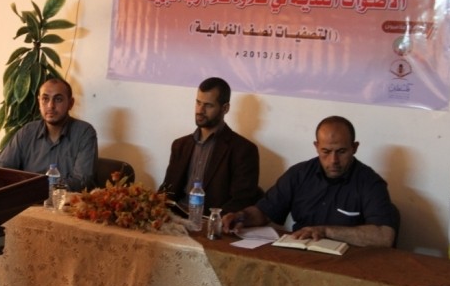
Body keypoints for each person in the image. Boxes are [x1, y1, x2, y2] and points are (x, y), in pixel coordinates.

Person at [222, 116, 397, 247]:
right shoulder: (299, 174)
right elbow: (264, 211)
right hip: (300, 253)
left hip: (348, 262)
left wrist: (326, 231)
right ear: (316, 147)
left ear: (354, 148)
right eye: (326, 151)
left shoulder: (370, 183)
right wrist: (241, 217)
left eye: (341, 151)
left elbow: (384, 237)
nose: (333, 160)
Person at [159, 77, 260, 215]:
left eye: (208, 105)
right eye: (198, 102)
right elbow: (167, 190)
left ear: (225, 108)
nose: (200, 110)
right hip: (175, 217)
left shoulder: (243, 150)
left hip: (210, 221)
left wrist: (214, 221)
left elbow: (242, 200)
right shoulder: (180, 145)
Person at [0, 77, 98, 191]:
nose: (50, 105)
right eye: (45, 99)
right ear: (39, 102)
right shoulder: (27, 132)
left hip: (65, 200)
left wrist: (39, 188)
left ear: (70, 103)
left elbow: (82, 181)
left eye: (58, 99)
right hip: (29, 198)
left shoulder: (84, 133)